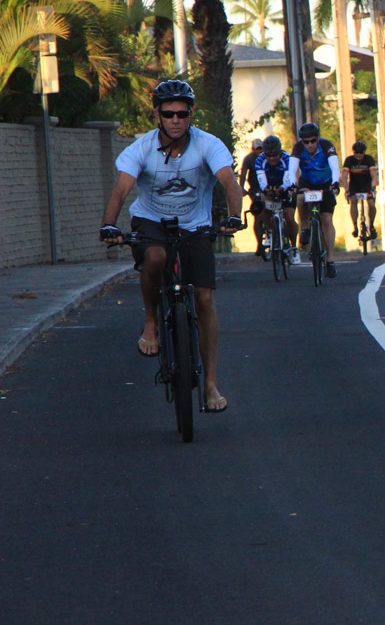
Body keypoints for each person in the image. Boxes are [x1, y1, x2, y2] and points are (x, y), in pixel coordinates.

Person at [98, 79, 243, 414]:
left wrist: (234, 217)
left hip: (195, 226)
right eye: (169, 113)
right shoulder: (141, 149)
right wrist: (108, 224)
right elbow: (121, 190)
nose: (176, 119)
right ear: (158, 116)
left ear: (191, 114)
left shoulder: (209, 145)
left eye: (182, 113)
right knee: (156, 257)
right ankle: (151, 322)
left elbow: (228, 181)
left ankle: (210, 385)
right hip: (150, 222)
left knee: (204, 297)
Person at [289, 122, 340, 278]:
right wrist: (293, 185)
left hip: (326, 183)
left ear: (318, 138)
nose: (309, 145)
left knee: (326, 219)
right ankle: (305, 227)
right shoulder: (298, 148)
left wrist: (335, 183)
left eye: (313, 141)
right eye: (306, 142)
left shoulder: (326, 146)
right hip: (307, 181)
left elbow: (335, 167)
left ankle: (330, 260)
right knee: (300, 198)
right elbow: (292, 170)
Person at [255, 135, 299, 263]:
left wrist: (282, 189)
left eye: (275, 155)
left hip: (285, 186)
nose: (272, 158)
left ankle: (294, 246)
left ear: (280, 152)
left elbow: (288, 178)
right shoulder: (260, 160)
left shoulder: (287, 159)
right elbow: (261, 179)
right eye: (268, 155)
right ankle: (269, 231)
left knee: (289, 217)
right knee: (262, 202)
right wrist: (265, 190)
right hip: (269, 185)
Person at [341, 140, 378, 240]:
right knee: (353, 201)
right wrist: (347, 190)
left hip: (367, 185)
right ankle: (355, 226)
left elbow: (374, 176)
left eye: (361, 152)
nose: (358, 154)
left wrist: (373, 188)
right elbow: (344, 177)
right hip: (354, 185)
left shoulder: (369, 159)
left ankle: (371, 225)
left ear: (364, 152)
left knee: (371, 204)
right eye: (356, 152)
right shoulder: (349, 160)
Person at [239, 137, 266, 255]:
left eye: (261, 149)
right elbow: (243, 174)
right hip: (255, 189)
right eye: (257, 149)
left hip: (267, 187)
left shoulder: (267, 157)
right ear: (253, 150)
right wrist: (241, 188)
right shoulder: (249, 159)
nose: (259, 152)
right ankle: (259, 243)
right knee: (258, 215)